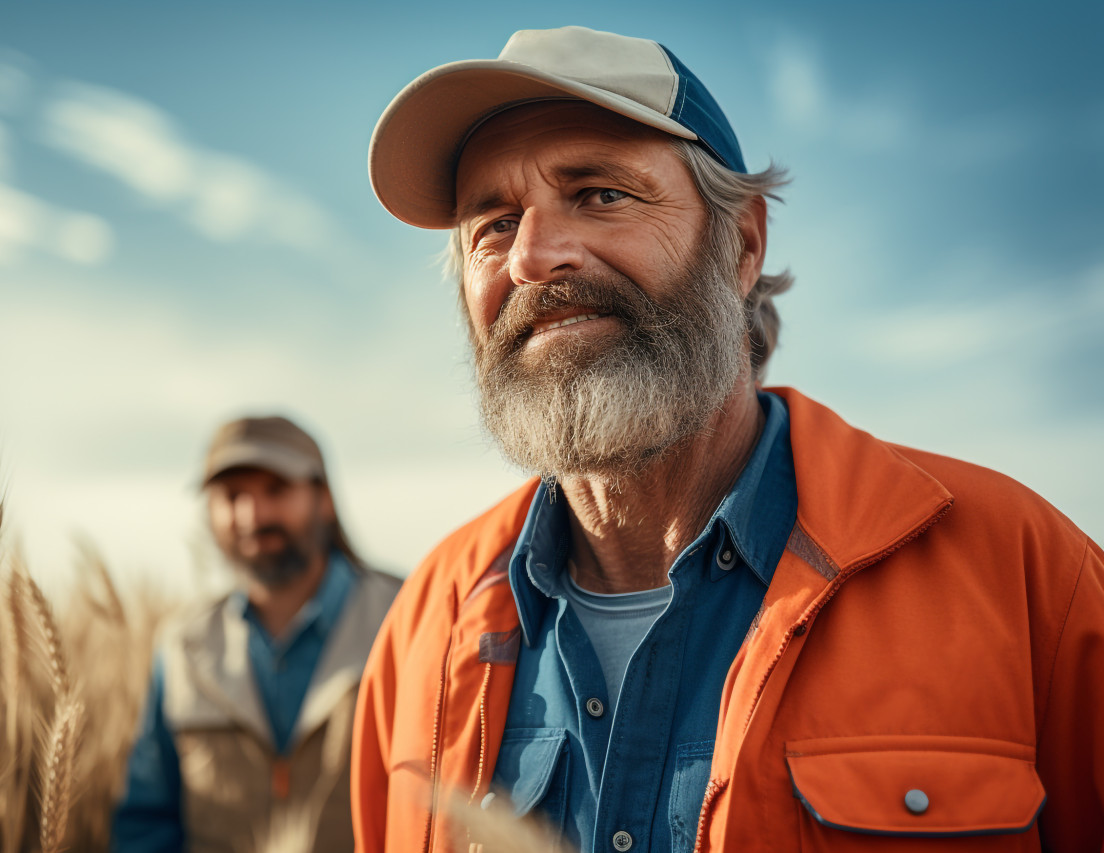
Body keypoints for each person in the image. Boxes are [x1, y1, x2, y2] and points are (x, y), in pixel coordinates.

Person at [352, 25, 1103, 853]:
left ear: (742, 245)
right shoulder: (426, 623)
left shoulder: (1027, 575)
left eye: (600, 193)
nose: (534, 256)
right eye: (492, 224)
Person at [113, 416, 400, 853]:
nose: (252, 515)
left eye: (276, 490)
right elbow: (148, 821)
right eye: (232, 496)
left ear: (323, 499)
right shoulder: (182, 645)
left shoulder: (405, 615)